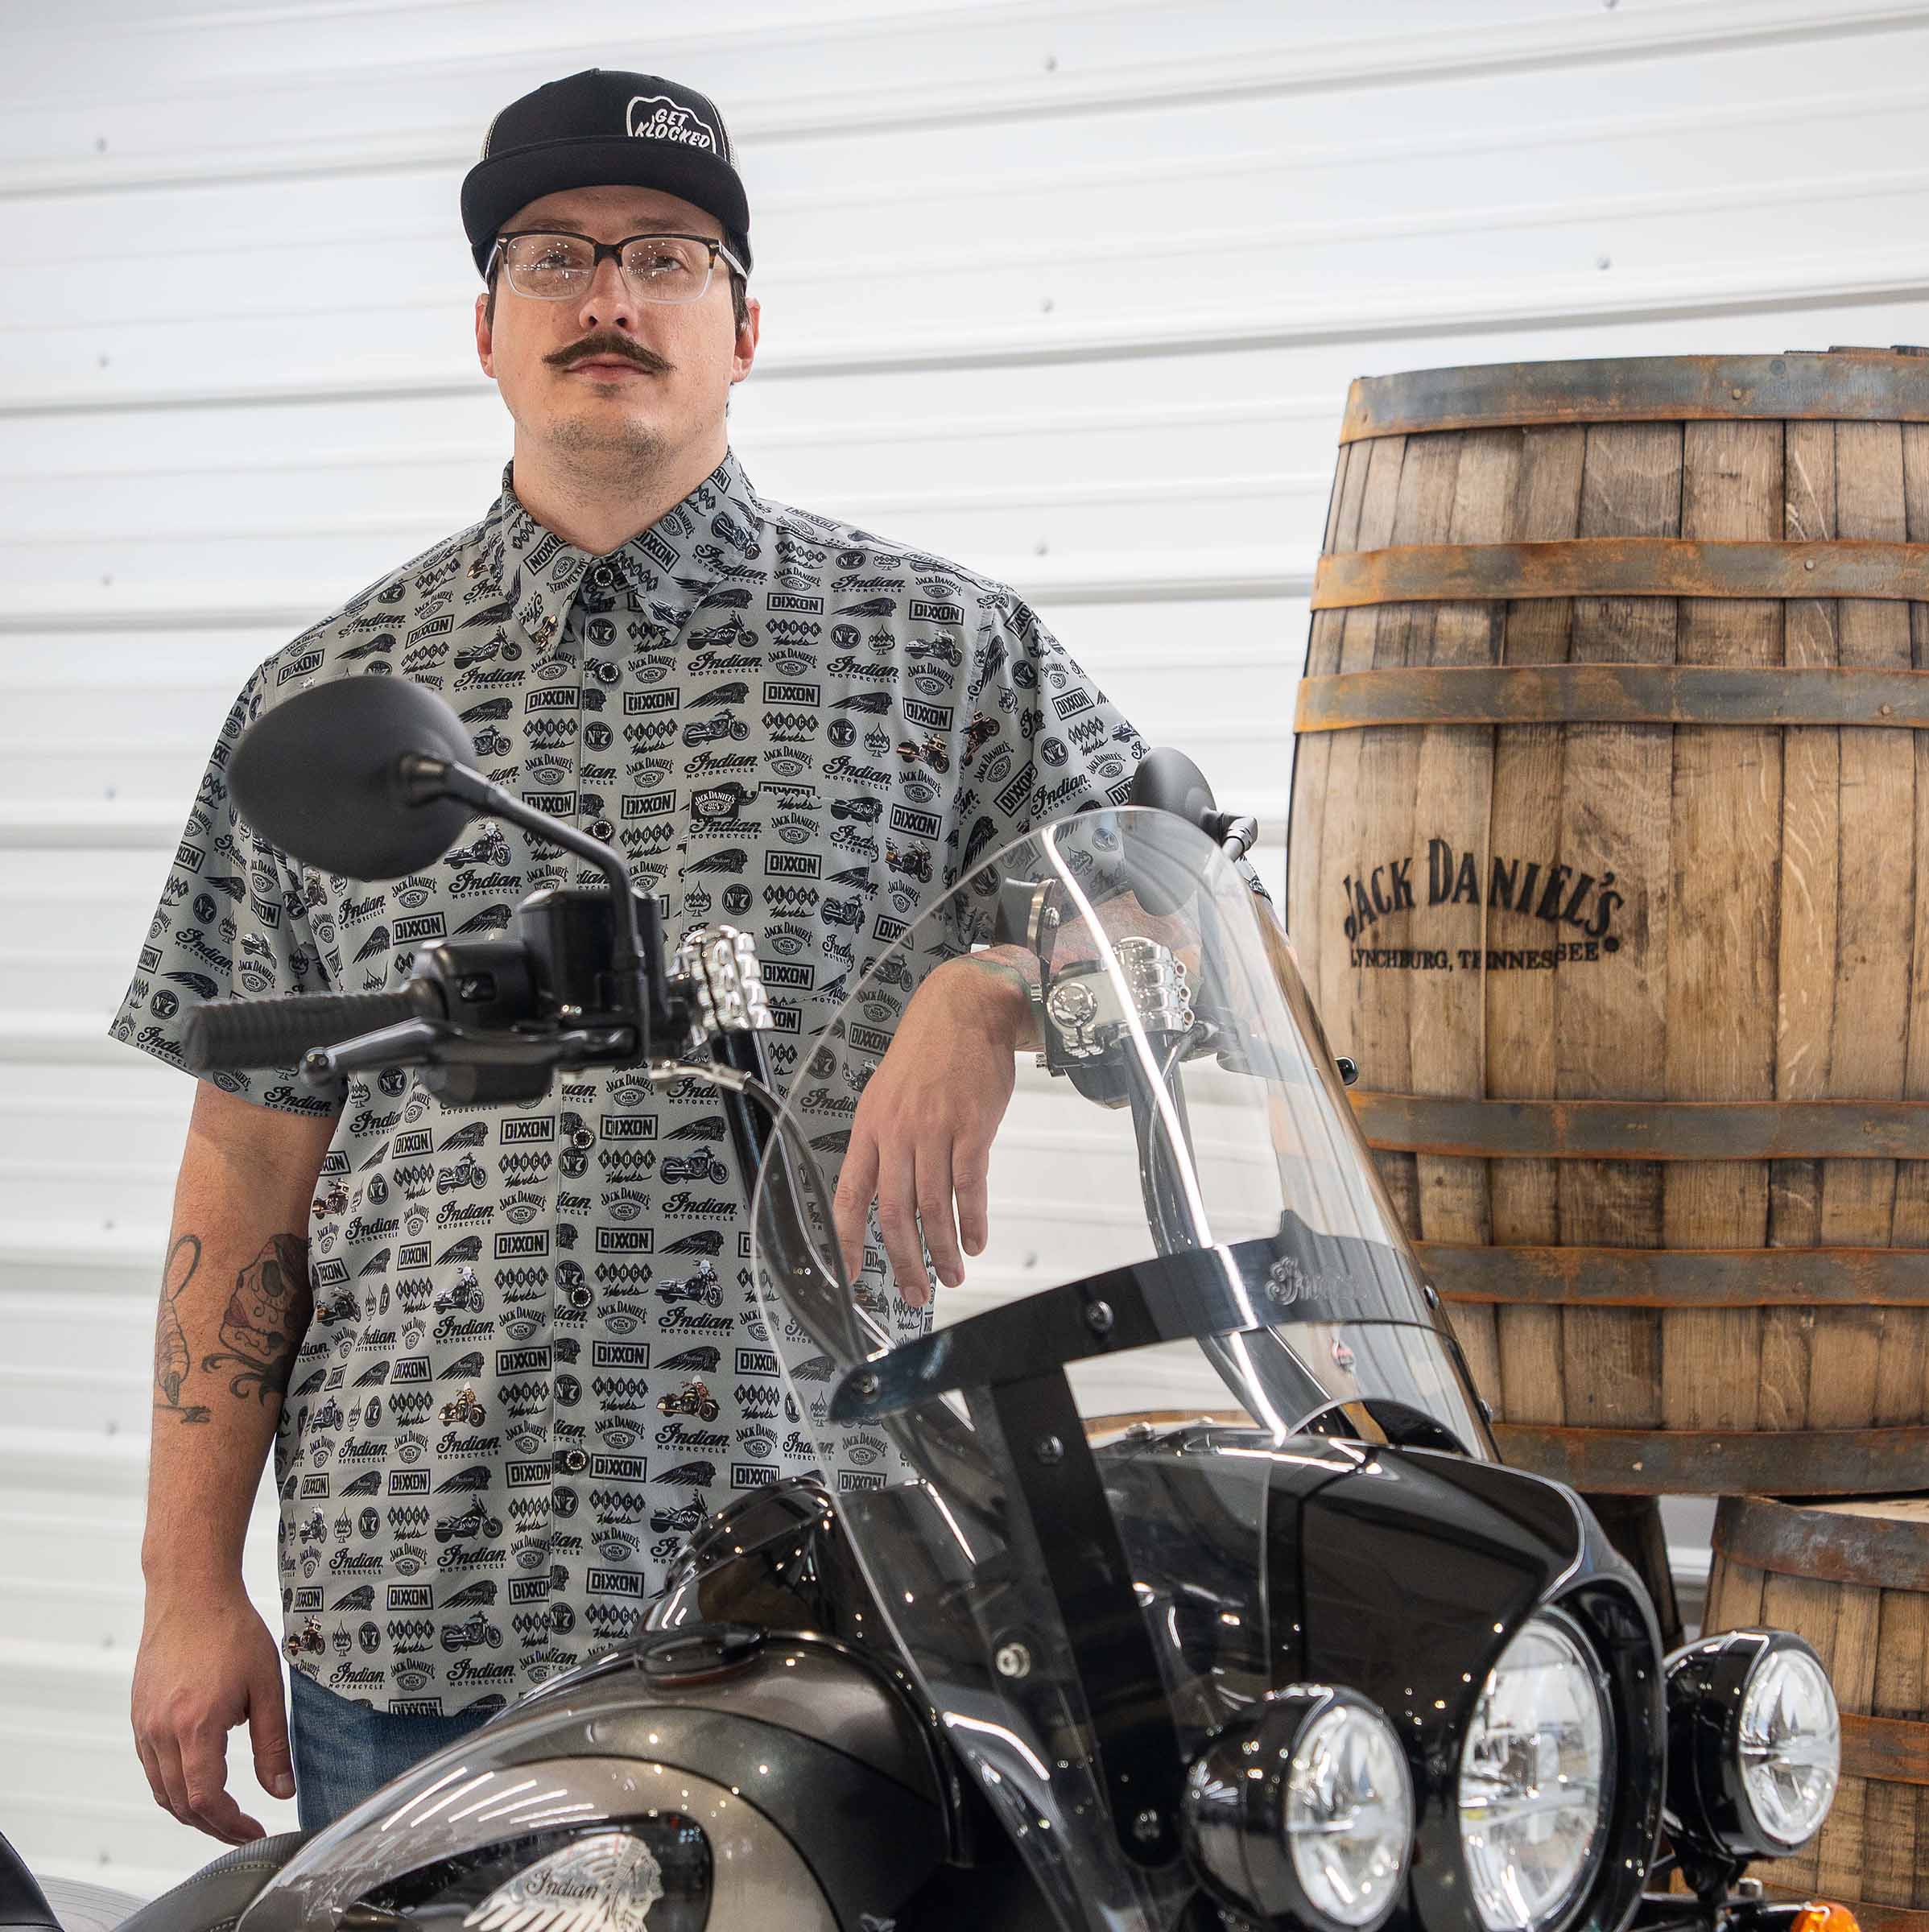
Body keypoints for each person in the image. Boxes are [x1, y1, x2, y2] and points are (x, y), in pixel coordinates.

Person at [107, 65, 1268, 1843]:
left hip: (821, 1582)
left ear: (744, 326)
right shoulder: (327, 698)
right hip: (417, 1597)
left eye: (664, 255)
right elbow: (247, 1164)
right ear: (485, 327)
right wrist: (188, 1586)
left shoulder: (941, 650)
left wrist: (994, 985)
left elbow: (1187, 906)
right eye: (555, 256)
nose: (610, 298)